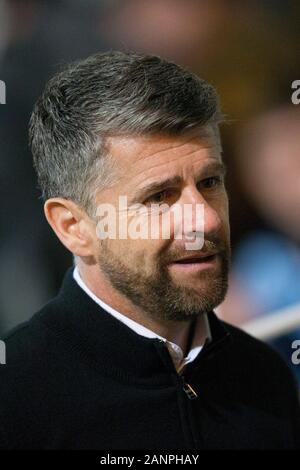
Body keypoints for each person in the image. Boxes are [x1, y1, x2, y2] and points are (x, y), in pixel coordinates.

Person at [0, 51, 299, 450]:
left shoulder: (265, 377)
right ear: (74, 228)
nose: (205, 221)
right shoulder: (15, 402)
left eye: (210, 183)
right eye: (159, 196)